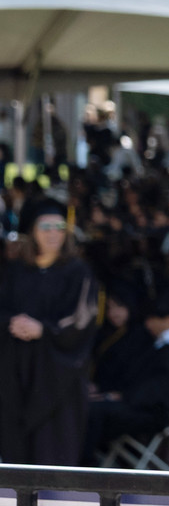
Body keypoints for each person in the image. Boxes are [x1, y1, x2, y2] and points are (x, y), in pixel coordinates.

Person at [0, 198, 97, 463]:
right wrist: (11, 322)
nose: (53, 233)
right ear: (32, 231)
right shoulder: (15, 271)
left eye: (59, 226)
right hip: (15, 374)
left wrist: (44, 329)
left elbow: (82, 319)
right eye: (45, 227)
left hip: (56, 378)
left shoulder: (78, 272)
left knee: (52, 449)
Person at [87, 289, 169, 460]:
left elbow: (161, 389)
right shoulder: (166, 344)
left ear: (168, 319)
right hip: (136, 404)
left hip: (149, 412)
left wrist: (122, 397)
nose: (148, 325)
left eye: (151, 319)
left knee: (92, 413)